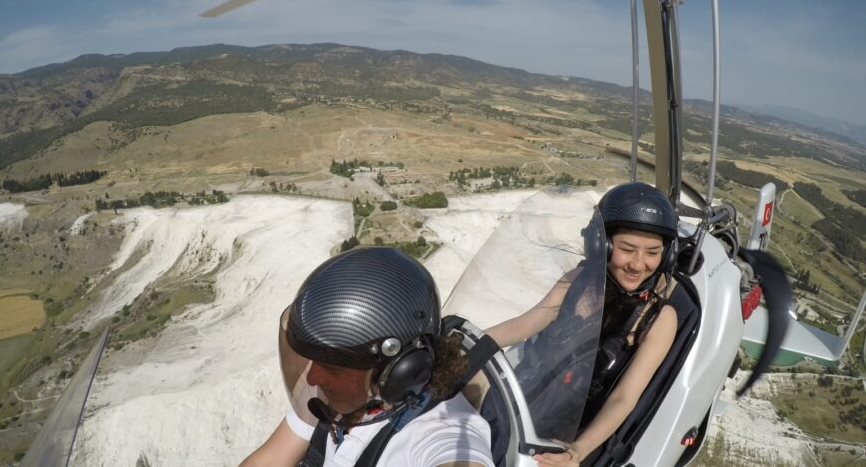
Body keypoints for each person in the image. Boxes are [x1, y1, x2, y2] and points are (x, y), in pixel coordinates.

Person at [241, 246, 493, 467]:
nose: (313, 379)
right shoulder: (337, 400)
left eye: (334, 368)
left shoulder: (442, 432)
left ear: (399, 369)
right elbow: (267, 460)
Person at [486, 182, 680, 467]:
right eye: (627, 249)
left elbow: (624, 398)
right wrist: (465, 341)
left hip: (569, 435)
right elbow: (525, 324)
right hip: (523, 400)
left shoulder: (659, 319)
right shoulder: (577, 281)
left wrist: (577, 450)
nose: (638, 265)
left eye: (652, 252)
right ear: (601, 243)